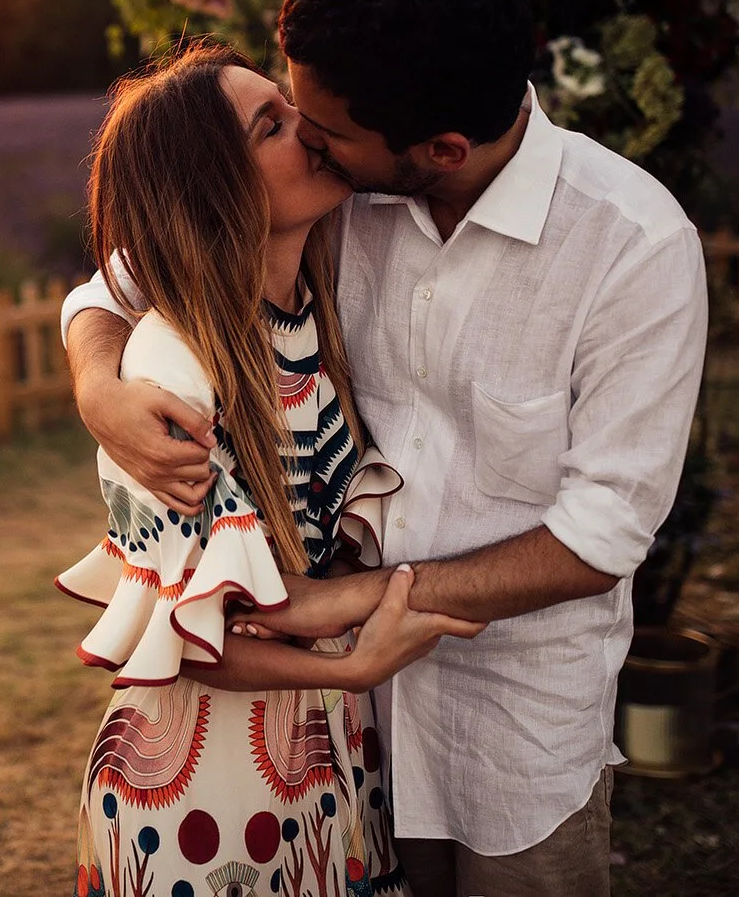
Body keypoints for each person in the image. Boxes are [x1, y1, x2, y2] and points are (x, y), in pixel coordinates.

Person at [63, 0, 708, 897]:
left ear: (436, 150)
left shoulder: (628, 248)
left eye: (315, 128)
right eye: (283, 117)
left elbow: (601, 531)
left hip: (509, 715)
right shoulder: (337, 192)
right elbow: (129, 271)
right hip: (330, 727)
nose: (305, 135)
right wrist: (96, 379)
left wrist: (342, 603)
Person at [60, 44, 485, 897]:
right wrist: (363, 651)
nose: (311, 128)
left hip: (329, 765)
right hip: (204, 795)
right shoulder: (172, 367)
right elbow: (185, 631)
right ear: (216, 187)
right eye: (273, 124)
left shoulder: (310, 311)